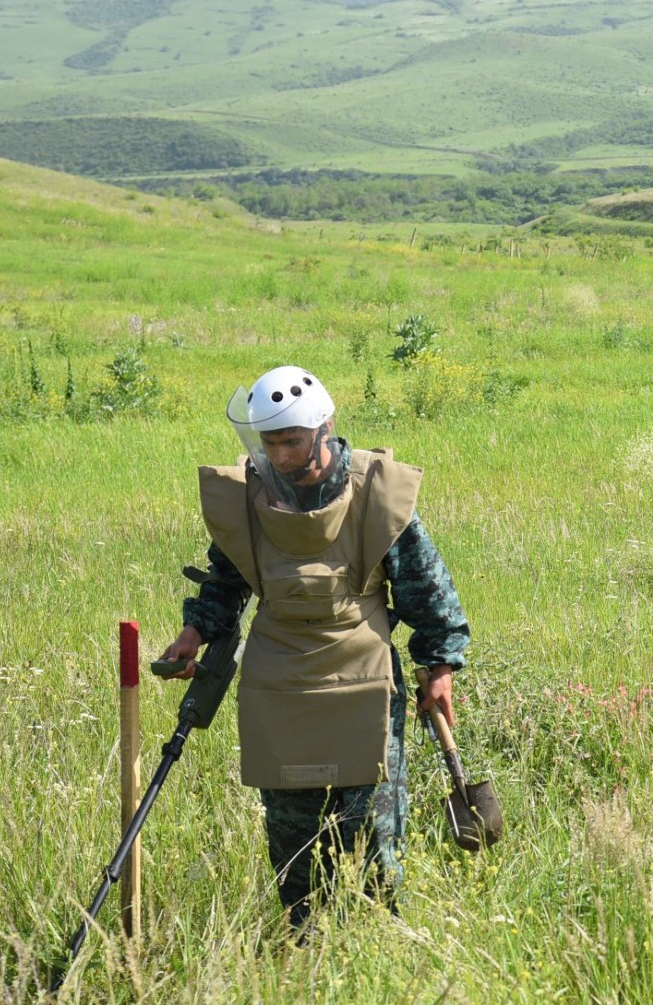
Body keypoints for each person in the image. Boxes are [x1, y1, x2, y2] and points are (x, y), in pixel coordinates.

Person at [155, 365, 470, 931]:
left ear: (325, 428)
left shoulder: (375, 491)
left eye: (291, 441)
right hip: (279, 685)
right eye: (269, 442)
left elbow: (425, 586)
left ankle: (377, 944)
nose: (278, 455)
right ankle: (305, 942)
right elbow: (226, 582)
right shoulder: (249, 499)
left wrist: (440, 664)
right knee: (293, 840)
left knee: (373, 835)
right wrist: (193, 633)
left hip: (364, 679)